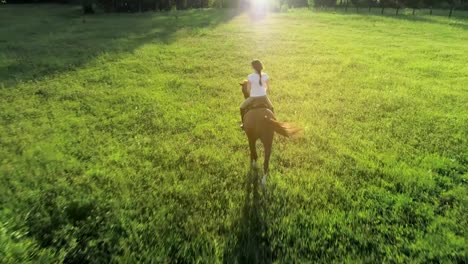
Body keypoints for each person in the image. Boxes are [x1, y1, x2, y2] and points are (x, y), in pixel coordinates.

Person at [240, 59, 274, 127]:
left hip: (253, 97)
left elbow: (248, 89)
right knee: (271, 108)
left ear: (253, 67)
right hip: (264, 97)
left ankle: (243, 123)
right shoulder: (265, 75)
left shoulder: (250, 76)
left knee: (242, 107)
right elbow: (268, 88)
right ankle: (274, 121)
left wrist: (252, 94)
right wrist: (263, 92)